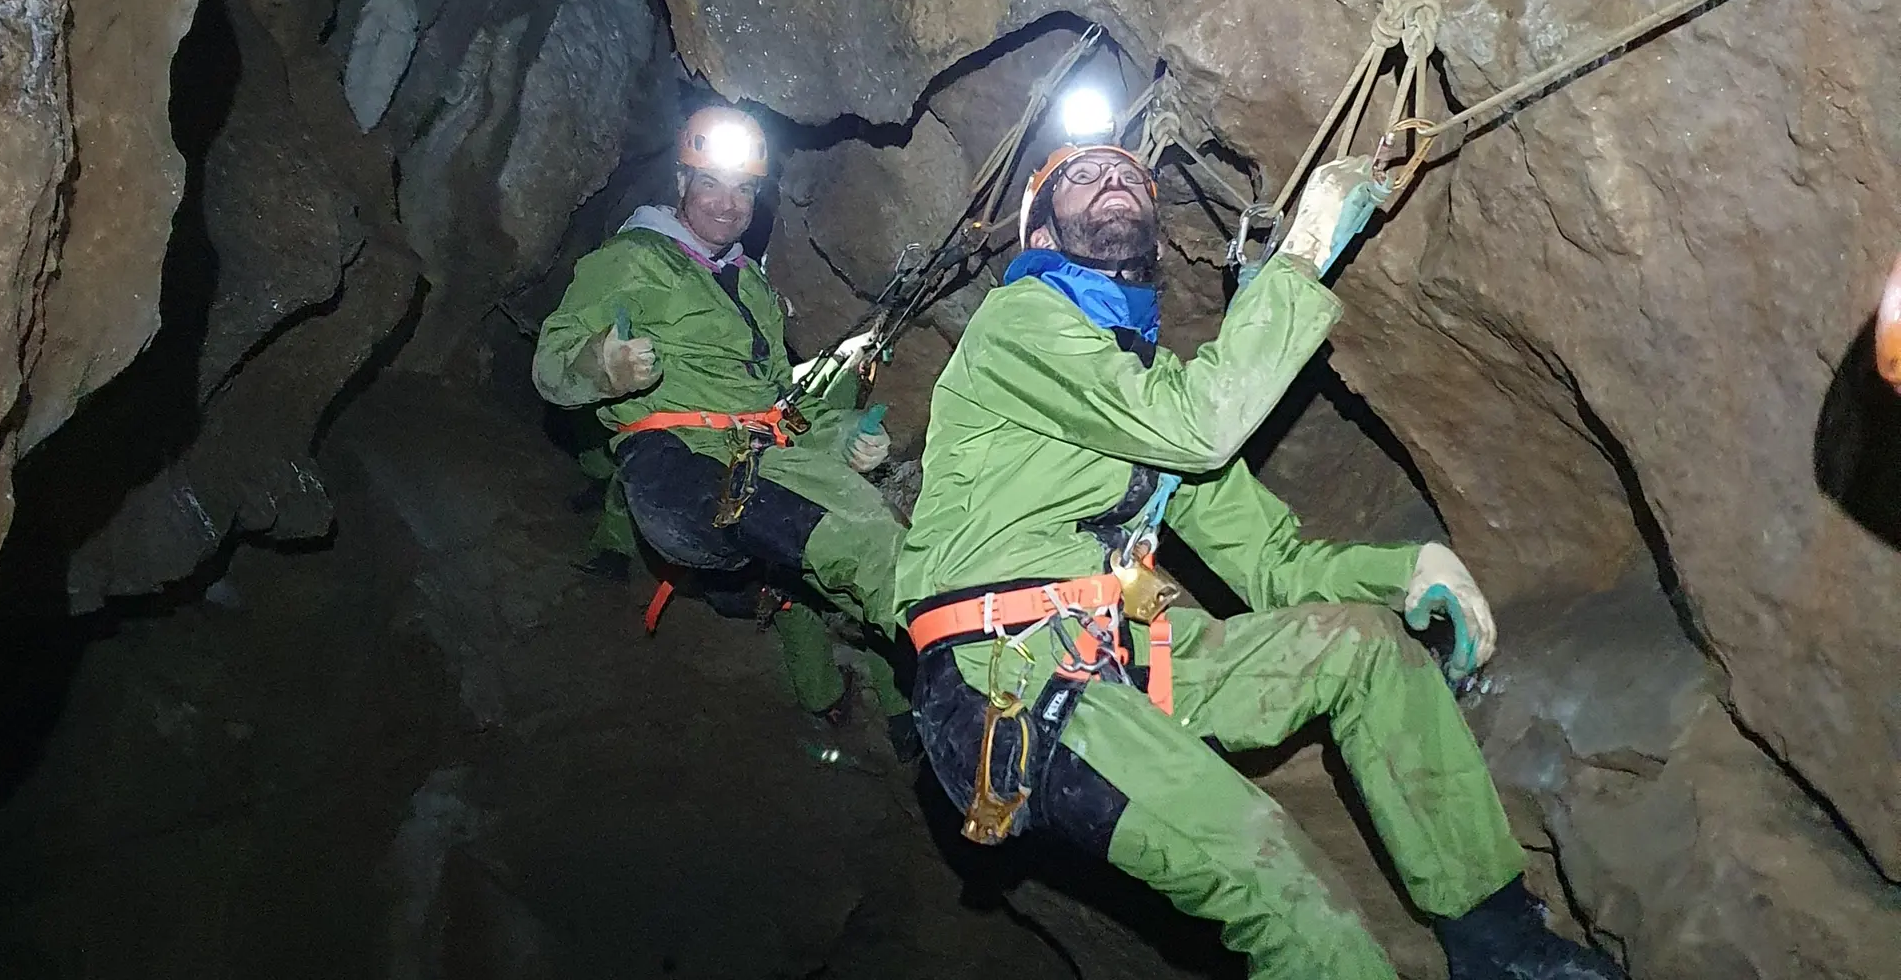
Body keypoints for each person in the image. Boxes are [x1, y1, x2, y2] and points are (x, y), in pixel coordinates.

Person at [893, 140, 1630, 979]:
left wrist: (1405, 570)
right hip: (1010, 680)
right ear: (1045, 230)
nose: (1116, 184)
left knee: (1360, 648)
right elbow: (1201, 424)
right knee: (1283, 890)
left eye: (1133, 177)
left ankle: (1498, 942)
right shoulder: (1019, 324)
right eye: (1083, 177)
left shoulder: (1146, 393)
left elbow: (1273, 564)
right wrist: (1305, 254)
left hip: (1116, 660)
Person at [533, 106, 916, 755]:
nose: (728, 202)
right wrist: (599, 364)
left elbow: (781, 404)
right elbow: (550, 367)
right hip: (683, 467)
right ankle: (957, 633)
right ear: (681, 182)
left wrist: (848, 433)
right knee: (852, 535)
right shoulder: (632, 260)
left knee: (856, 537)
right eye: (712, 183)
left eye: (743, 189)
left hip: (761, 455)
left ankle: (913, 690)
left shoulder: (750, 283)